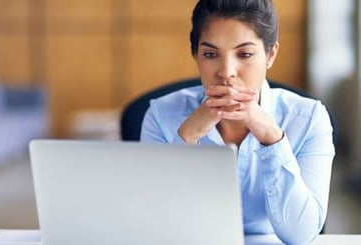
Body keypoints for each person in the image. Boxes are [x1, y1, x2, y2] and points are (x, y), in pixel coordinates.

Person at [140, 0, 335, 244]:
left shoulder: (309, 120)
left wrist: (272, 139)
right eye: (210, 54)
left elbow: (301, 235)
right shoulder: (160, 115)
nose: (226, 72)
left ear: (270, 54)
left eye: (244, 54)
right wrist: (186, 138)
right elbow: (154, 225)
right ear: (195, 54)